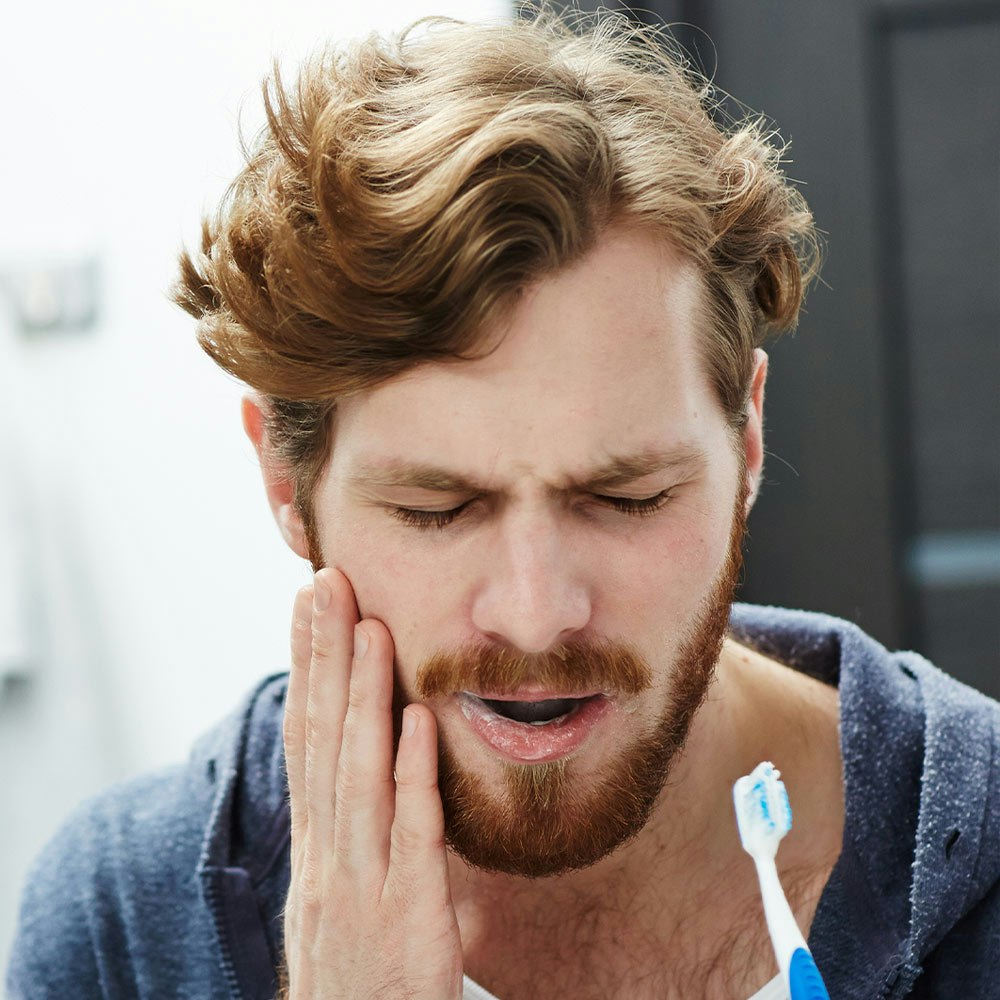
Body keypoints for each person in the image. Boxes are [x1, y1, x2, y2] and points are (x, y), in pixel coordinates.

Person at [7, 11, 1000, 1000]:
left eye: (625, 496)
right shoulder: (119, 928)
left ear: (745, 440)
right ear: (284, 482)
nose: (534, 613)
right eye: (436, 509)